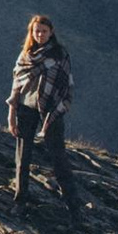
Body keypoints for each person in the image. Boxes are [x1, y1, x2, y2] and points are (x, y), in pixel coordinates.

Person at [7, 13, 79, 219]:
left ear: (51, 32)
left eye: (44, 31)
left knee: (58, 158)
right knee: (23, 158)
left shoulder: (59, 54)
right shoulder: (26, 55)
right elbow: (16, 86)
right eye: (36, 31)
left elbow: (65, 84)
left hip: (50, 110)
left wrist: (58, 108)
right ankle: (20, 202)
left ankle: (73, 206)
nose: (40, 34)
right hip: (25, 109)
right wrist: (11, 114)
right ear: (32, 32)